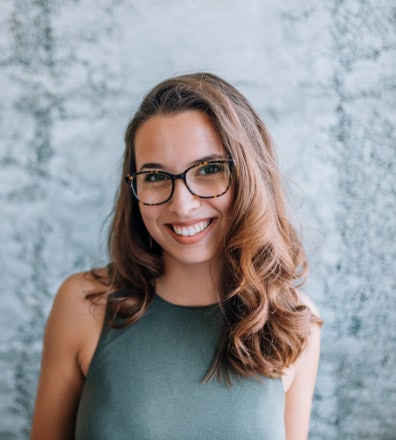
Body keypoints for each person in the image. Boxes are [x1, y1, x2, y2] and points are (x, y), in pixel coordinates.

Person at [30, 72, 322, 440]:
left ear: (250, 175)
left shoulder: (295, 322)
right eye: (155, 176)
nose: (182, 205)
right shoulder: (83, 303)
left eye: (210, 169)